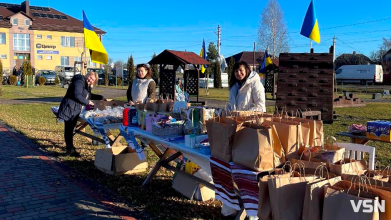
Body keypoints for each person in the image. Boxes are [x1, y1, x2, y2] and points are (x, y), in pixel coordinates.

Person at [57, 71, 104, 156]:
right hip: (69, 107)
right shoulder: (79, 81)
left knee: (70, 128)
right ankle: (70, 149)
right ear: (87, 75)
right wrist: (87, 102)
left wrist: (100, 97)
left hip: (75, 109)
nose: (90, 80)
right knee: (69, 129)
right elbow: (76, 95)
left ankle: (70, 148)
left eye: (92, 80)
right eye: (90, 77)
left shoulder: (87, 85)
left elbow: (89, 95)